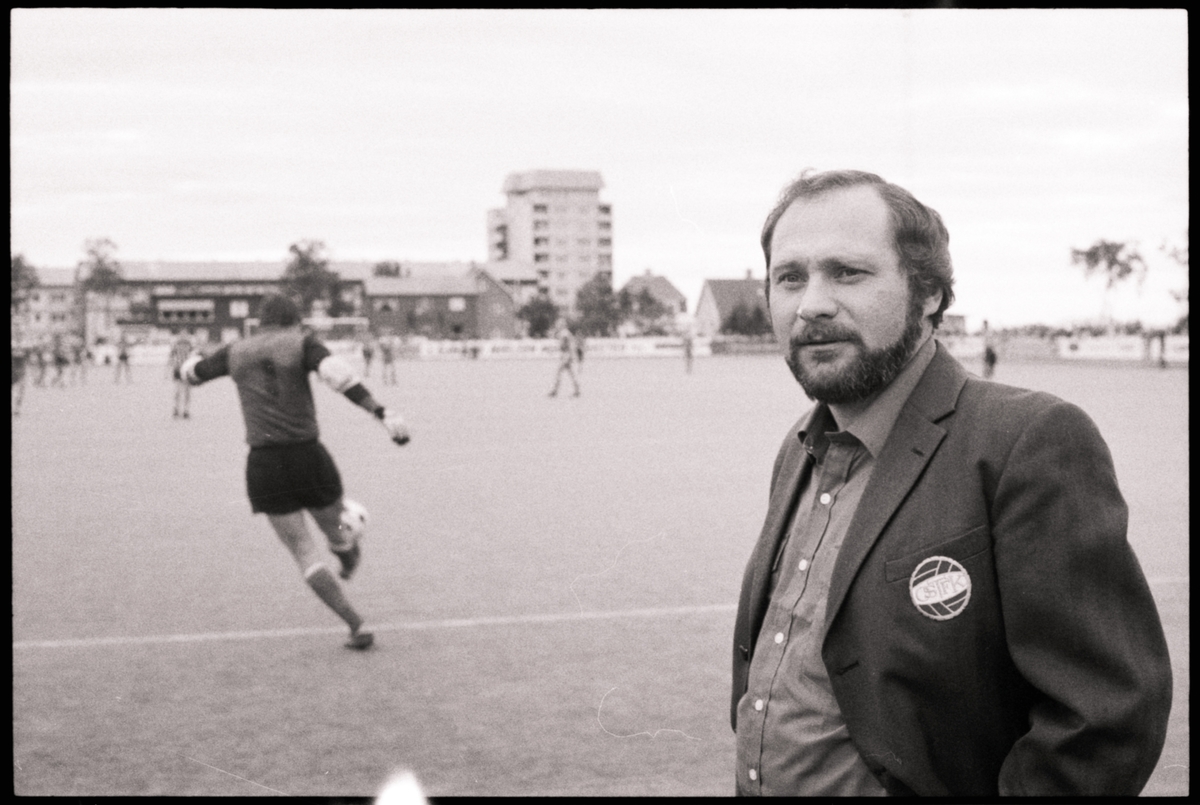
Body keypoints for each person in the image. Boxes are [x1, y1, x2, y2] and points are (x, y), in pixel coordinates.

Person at [731, 169, 1171, 797]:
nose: (812, 304)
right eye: (789, 277)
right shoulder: (800, 447)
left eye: (848, 273)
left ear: (929, 293)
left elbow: (1103, 719)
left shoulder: (1026, 440)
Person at [180, 293, 411, 650]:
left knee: (303, 551)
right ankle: (345, 544)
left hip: (265, 465)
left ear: (259, 322)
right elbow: (339, 376)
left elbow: (192, 375)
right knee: (334, 526)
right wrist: (381, 412)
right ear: (294, 321)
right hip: (308, 457)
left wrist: (191, 359)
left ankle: (355, 623)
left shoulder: (236, 351)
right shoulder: (301, 343)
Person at [547, 319, 581, 398]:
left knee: (559, 373)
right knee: (571, 373)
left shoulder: (564, 333)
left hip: (566, 356)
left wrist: (553, 350)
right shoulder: (566, 333)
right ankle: (577, 390)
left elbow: (563, 345)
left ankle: (554, 391)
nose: (557, 326)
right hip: (567, 355)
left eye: (558, 324)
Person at [168, 331, 194, 419]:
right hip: (179, 369)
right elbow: (171, 357)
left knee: (185, 391)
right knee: (179, 391)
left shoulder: (189, 344)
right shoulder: (177, 344)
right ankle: (178, 409)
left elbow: (193, 356)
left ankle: (184, 410)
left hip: (184, 369)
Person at [12, 342, 28, 416]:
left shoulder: (21, 353)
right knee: (19, 392)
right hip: (17, 374)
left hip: (20, 374)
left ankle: (17, 409)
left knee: (19, 392)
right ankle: (16, 409)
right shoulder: (21, 354)